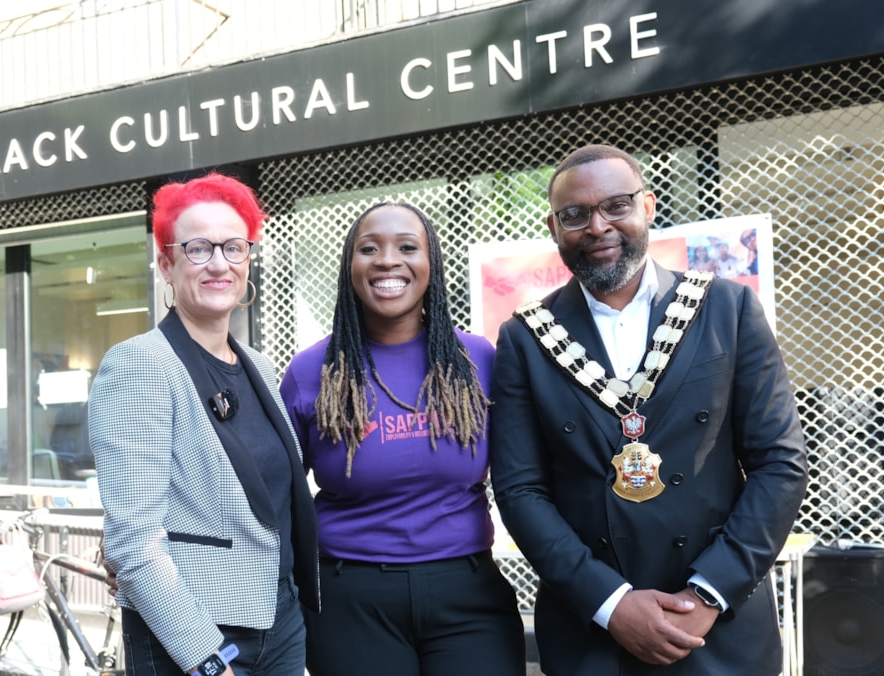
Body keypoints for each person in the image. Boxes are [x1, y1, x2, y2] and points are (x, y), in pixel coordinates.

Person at [488, 145, 808, 675]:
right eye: (575, 215)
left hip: (719, 628)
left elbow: (780, 462)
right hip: (591, 632)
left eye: (616, 205)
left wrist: (707, 596)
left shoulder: (726, 309)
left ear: (648, 206)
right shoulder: (525, 339)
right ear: (554, 228)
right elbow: (521, 489)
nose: (597, 226)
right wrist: (610, 605)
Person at [280, 202, 525, 676]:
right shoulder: (313, 371)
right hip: (351, 596)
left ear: (431, 264)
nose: (388, 260)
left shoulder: (477, 361)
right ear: (350, 267)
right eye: (368, 249)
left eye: (407, 247)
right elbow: (276, 493)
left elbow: (527, 472)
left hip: (468, 592)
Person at [89, 173, 318, 676]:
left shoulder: (257, 363)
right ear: (166, 263)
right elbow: (133, 541)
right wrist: (205, 660)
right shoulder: (139, 365)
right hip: (192, 635)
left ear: (248, 260)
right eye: (198, 248)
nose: (219, 263)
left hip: (279, 626)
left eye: (234, 247)